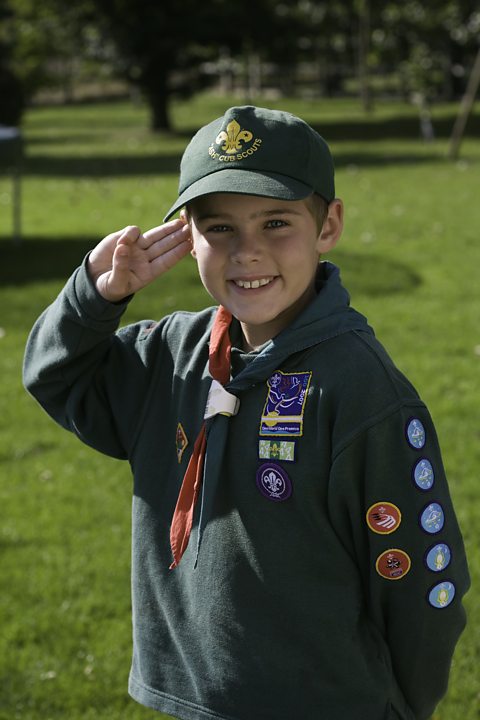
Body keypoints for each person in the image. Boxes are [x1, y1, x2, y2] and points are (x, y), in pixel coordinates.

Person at [23, 105, 470, 720]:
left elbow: (420, 584)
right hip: (192, 695)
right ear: (186, 233)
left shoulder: (361, 389)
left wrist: (399, 704)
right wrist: (94, 296)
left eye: (276, 222)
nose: (247, 253)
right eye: (220, 228)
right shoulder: (169, 355)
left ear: (328, 224)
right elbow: (57, 376)